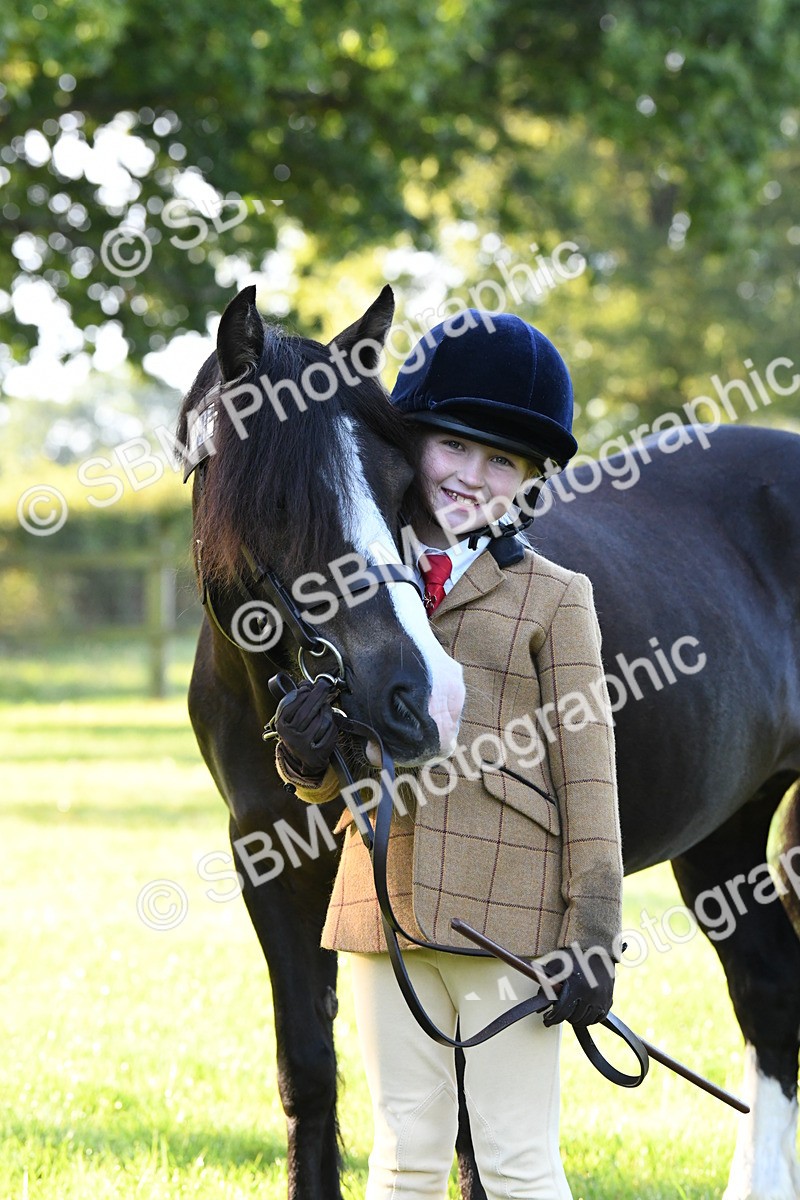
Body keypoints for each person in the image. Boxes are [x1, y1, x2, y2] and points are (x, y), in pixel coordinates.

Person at [273, 310, 623, 1200]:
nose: (473, 477)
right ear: (410, 444)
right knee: (404, 1159)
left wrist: (591, 937)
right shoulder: (356, 584)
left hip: (510, 929)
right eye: (454, 448)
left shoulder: (555, 597)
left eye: (502, 461)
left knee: (516, 1161)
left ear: (529, 483)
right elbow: (335, 774)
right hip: (384, 914)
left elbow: (588, 777)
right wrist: (305, 759)